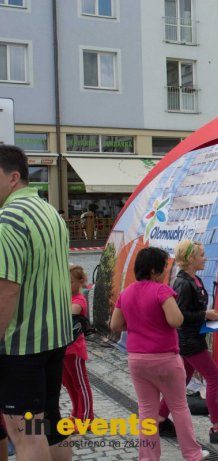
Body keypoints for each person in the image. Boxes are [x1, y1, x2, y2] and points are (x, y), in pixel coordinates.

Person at [0, 145, 72, 461]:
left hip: (21, 347)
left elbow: (7, 291)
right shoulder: (49, 212)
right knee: (51, 424)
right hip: (54, 337)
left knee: (25, 434)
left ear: (13, 177)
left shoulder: (8, 220)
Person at [110, 247, 207, 461]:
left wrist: (138, 325)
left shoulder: (126, 293)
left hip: (137, 359)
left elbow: (115, 324)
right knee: (179, 407)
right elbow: (176, 320)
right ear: (154, 271)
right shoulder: (162, 291)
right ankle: (192, 454)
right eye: (164, 267)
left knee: (146, 411)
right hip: (164, 358)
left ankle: (148, 457)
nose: (166, 271)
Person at [157, 240, 218, 444]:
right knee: (214, 378)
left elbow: (192, 312)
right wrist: (204, 315)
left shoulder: (194, 279)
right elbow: (180, 315)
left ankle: (160, 418)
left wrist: (209, 316)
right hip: (190, 341)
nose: (205, 258)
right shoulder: (183, 283)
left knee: (181, 382)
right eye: (202, 255)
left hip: (194, 337)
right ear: (190, 259)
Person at [62, 265, 95, 423]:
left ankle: (86, 417)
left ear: (80, 282)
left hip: (73, 350)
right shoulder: (65, 298)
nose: (65, 285)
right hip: (63, 349)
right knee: (69, 384)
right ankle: (76, 413)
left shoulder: (78, 300)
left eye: (69, 282)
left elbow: (68, 314)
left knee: (80, 384)